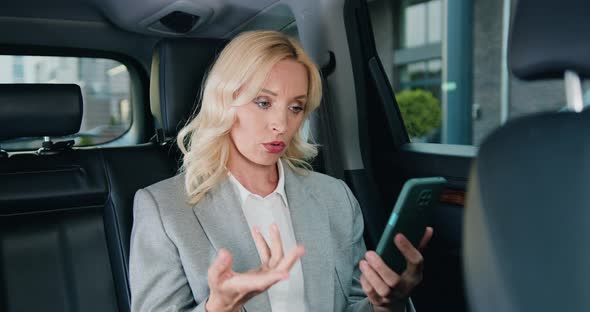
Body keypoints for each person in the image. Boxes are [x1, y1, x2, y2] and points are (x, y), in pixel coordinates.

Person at [129, 30, 432, 312]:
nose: (281, 125)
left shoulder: (334, 197)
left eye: (295, 107)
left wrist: (384, 304)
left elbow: (354, 302)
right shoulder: (163, 209)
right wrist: (217, 308)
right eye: (263, 102)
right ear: (225, 101)